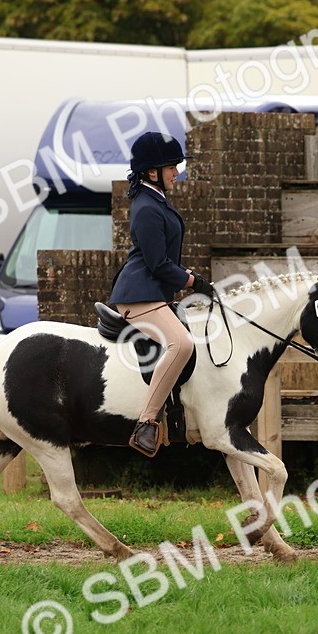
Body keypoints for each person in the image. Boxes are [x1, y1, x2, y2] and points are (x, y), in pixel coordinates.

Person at [109, 131, 214, 457]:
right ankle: (146, 422)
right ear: (152, 172)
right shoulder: (147, 207)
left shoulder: (155, 200)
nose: (177, 173)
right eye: (171, 167)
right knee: (181, 343)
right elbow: (157, 263)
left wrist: (188, 277)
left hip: (154, 291)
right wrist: (191, 280)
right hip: (139, 295)